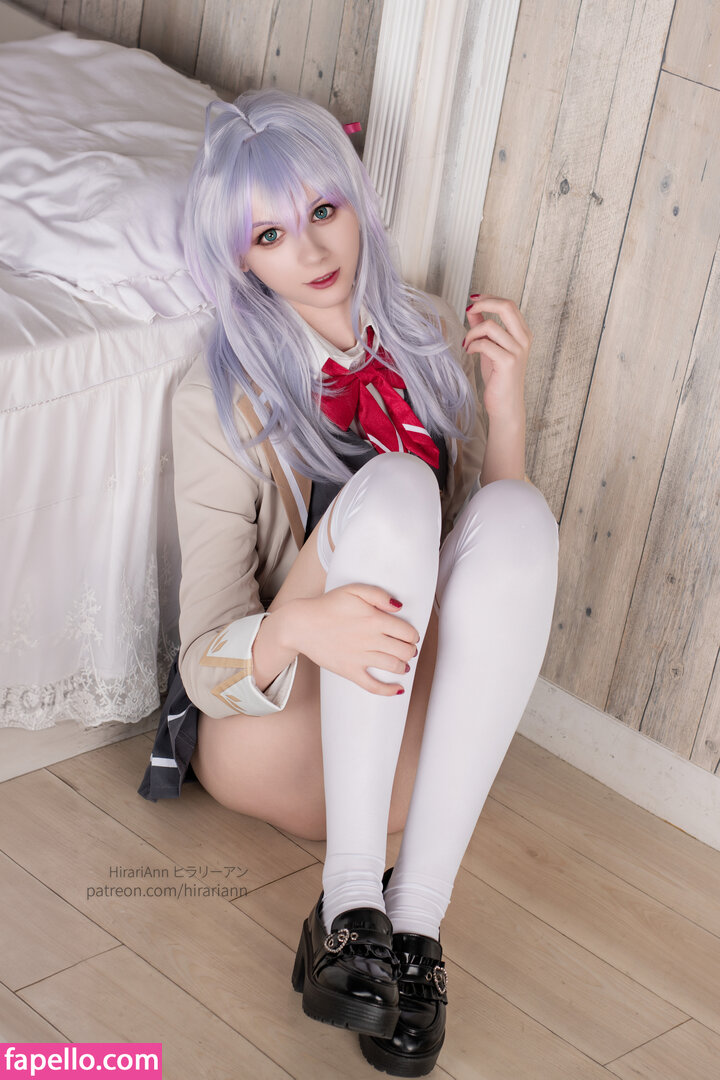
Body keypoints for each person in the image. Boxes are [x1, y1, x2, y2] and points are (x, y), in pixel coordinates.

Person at [138, 87, 559, 1076]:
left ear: (357, 202)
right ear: (241, 260)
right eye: (271, 234)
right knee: (402, 486)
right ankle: (349, 897)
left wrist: (505, 407)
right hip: (275, 733)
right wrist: (302, 628)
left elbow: (491, 574)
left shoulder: (421, 337)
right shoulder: (216, 397)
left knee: (521, 516)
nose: (313, 249)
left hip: (396, 754)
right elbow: (203, 667)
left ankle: (408, 926)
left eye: (323, 210)